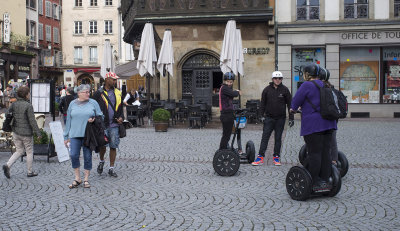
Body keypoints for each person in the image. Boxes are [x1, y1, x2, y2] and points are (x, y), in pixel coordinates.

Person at [290, 63, 337, 191]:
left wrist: (293, 109)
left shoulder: (307, 85)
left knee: (314, 153)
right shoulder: (325, 84)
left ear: (307, 74)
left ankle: (314, 181)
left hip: (314, 125)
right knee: (326, 153)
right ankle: (325, 180)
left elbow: (295, 102)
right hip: (329, 124)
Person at [63, 84, 103, 189]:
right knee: (74, 155)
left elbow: (101, 115)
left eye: (89, 92)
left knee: (88, 157)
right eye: (86, 92)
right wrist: (66, 136)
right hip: (74, 134)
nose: (88, 94)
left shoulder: (93, 103)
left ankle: (86, 179)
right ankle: (77, 178)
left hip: (88, 135)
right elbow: (68, 121)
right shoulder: (72, 103)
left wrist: (94, 118)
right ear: (79, 93)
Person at [252, 71, 294, 166]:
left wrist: (291, 118)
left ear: (282, 79)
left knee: (278, 138)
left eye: (280, 78)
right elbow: (262, 104)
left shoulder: (285, 90)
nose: (278, 80)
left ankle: (276, 157)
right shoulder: (266, 90)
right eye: (276, 78)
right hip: (269, 118)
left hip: (280, 119)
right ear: (272, 79)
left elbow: (290, 105)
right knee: (265, 138)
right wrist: (260, 115)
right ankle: (260, 157)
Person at [2, 86, 41, 178]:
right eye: (28, 93)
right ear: (26, 95)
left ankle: (8, 165)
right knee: (29, 151)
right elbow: (32, 120)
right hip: (26, 133)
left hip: (16, 131)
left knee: (19, 151)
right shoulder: (28, 105)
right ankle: (30, 172)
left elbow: (7, 114)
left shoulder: (14, 104)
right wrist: (38, 133)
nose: (29, 94)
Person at [93, 72, 124, 177]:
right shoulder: (98, 93)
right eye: (113, 79)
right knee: (102, 146)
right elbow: (93, 107)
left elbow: (120, 108)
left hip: (114, 124)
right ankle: (101, 161)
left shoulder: (118, 92)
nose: (115, 81)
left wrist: (121, 117)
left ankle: (111, 168)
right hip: (102, 124)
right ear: (107, 80)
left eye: (115, 80)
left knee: (113, 146)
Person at [219, 72, 241, 150]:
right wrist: (238, 92)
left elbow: (231, 94)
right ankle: (222, 150)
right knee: (226, 135)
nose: (229, 83)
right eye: (228, 81)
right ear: (224, 81)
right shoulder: (224, 88)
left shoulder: (226, 88)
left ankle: (224, 148)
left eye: (231, 82)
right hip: (226, 115)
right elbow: (233, 94)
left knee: (227, 134)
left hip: (228, 114)